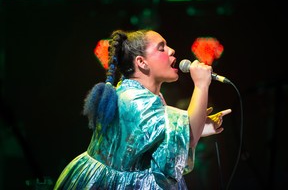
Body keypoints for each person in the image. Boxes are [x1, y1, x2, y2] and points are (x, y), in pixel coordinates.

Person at [54, 29, 232, 189]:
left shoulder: (139, 94)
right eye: (162, 48)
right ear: (141, 62)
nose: (172, 51)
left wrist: (200, 126)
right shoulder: (134, 100)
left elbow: (153, 138)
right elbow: (188, 135)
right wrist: (201, 85)